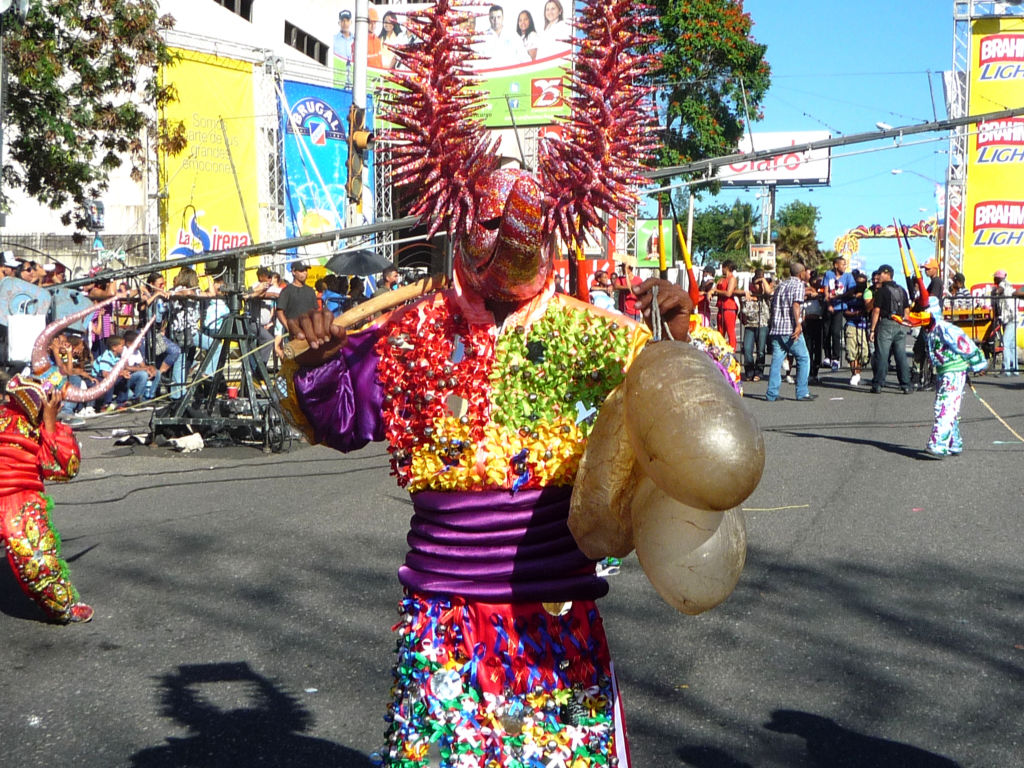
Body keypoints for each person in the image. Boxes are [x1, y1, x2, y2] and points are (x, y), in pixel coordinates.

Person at [0, 375, 93, 623]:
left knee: (39, 561)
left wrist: (50, 423)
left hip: (19, 500)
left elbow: (65, 469)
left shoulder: (45, 428)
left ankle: (63, 606)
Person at [922, 296, 988, 457]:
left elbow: (963, 343)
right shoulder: (929, 331)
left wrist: (977, 364)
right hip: (943, 371)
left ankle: (938, 444)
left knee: (945, 405)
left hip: (954, 371)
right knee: (948, 405)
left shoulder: (944, 328)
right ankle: (954, 441)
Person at [765, 261, 815, 402]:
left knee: (776, 360)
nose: (807, 274)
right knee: (803, 357)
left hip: (776, 328)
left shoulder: (782, 285)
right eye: (805, 271)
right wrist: (798, 324)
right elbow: (796, 305)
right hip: (790, 328)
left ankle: (772, 393)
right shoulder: (798, 285)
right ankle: (802, 392)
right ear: (801, 273)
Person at [868, 264, 912, 394]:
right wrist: (904, 322)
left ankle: (878, 383)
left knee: (882, 354)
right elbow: (907, 310)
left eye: (881, 274)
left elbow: (876, 311)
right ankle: (906, 384)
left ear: (887, 274)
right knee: (900, 355)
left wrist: (872, 329)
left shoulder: (881, 291)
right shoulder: (901, 290)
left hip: (886, 323)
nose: (878, 276)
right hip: (900, 324)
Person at [823, 255, 855, 371]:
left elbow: (851, 290)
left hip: (840, 307)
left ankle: (836, 358)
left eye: (845, 264)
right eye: (843, 264)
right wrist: (828, 304)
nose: (845, 266)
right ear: (836, 265)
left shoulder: (848, 276)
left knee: (836, 332)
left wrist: (840, 296)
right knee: (826, 332)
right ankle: (827, 356)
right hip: (829, 306)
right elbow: (826, 291)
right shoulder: (828, 275)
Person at [740, 268, 772, 381]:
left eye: (760, 284)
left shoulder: (765, 297)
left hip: (762, 324)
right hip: (750, 325)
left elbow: (769, 291)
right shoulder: (747, 295)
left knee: (761, 350)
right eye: (756, 284)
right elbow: (742, 311)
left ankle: (759, 372)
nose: (759, 286)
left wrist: (762, 279)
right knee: (747, 349)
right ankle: (749, 371)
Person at [843, 270, 870, 387]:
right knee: (851, 350)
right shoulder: (849, 295)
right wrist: (854, 314)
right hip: (851, 324)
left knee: (863, 352)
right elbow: (844, 310)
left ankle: (859, 372)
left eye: (863, 283)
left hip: (863, 326)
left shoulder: (868, 294)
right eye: (858, 283)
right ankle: (854, 373)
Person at [991, 269, 1019, 376]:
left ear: (999, 278)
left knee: (1006, 343)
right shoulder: (1009, 284)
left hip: (1010, 318)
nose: (993, 279)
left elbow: (1000, 290)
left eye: (995, 277)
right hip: (1011, 317)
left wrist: (995, 292)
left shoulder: (1003, 284)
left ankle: (1006, 369)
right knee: (1012, 344)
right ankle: (1014, 368)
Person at [275, 262, 318, 328]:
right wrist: (288, 327)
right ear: (293, 272)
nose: (305, 273)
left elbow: (315, 311)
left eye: (306, 270)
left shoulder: (311, 291)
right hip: (294, 330)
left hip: (310, 329)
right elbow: (280, 312)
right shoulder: (287, 291)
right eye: (301, 271)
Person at [802, 269, 824, 382]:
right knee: (808, 347)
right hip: (807, 321)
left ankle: (815, 371)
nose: (817, 283)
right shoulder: (805, 289)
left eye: (819, 281)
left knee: (818, 348)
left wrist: (819, 295)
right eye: (814, 281)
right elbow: (803, 296)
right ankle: (808, 372)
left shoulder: (822, 291)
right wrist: (810, 294)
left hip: (818, 320)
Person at [714, 260, 740, 351]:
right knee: (720, 331)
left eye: (723, 268)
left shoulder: (732, 279)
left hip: (729, 308)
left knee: (730, 331)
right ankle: (720, 350)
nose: (722, 270)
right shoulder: (722, 279)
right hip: (721, 307)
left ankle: (732, 351)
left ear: (727, 268)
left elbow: (729, 293)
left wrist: (716, 291)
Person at [612, 257, 642, 321]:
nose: (622, 269)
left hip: (635, 312)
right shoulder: (620, 279)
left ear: (630, 268)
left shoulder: (638, 279)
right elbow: (616, 286)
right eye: (622, 268)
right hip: (623, 311)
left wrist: (630, 287)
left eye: (624, 267)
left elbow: (636, 290)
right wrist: (628, 287)